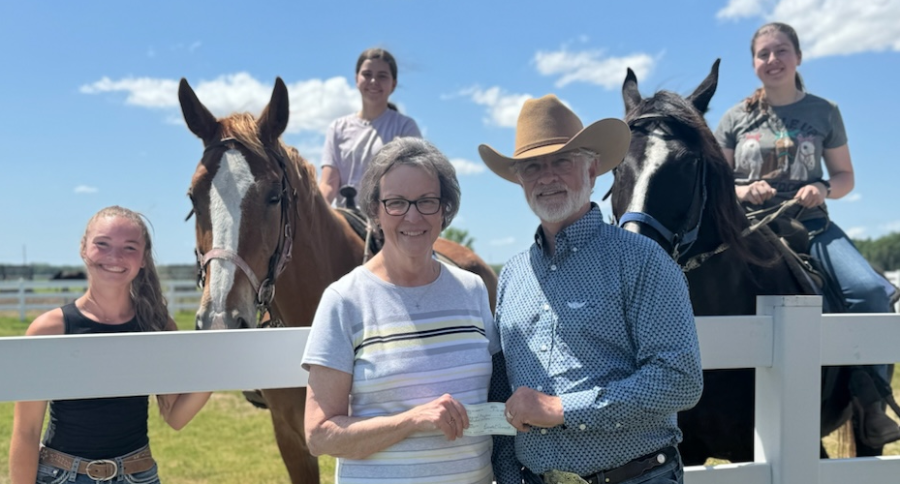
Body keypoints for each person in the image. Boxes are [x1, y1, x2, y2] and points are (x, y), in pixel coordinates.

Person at [480, 95, 704, 484]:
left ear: (593, 169)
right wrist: (506, 473)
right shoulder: (513, 276)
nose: (547, 177)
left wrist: (564, 408)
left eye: (562, 161)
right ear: (519, 179)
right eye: (533, 166)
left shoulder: (643, 261)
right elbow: (502, 384)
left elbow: (679, 380)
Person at [714, 22, 900, 448]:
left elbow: (846, 176)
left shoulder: (824, 111)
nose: (772, 60)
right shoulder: (735, 118)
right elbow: (717, 180)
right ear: (754, 63)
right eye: (763, 54)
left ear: (798, 57)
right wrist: (742, 189)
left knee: (870, 291)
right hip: (747, 227)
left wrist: (823, 188)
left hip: (811, 224)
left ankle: (871, 406)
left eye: (781, 51)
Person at [303, 137, 500, 483]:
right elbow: (319, 434)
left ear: (444, 210)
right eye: (396, 203)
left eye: (426, 201)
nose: (412, 216)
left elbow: (497, 396)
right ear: (376, 210)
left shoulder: (472, 291)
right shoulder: (345, 300)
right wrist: (412, 420)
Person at [9, 206, 211, 484]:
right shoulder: (50, 329)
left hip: (137, 475)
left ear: (143, 258)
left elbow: (175, 416)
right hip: (62, 476)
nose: (114, 257)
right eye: (102, 244)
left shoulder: (156, 325)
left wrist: (219, 362)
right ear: (83, 248)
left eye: (129, 247)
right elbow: (27, 431)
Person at [318, 47, 422, 208]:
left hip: (389, 219)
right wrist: (314, 216)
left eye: (382, 76)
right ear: (356, 79)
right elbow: (328, 185)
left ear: (393, 84)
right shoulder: (337, 128)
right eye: (367, 74)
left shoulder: (405, 128)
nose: (373, 81)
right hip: (345, 220)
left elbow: (411, 183)